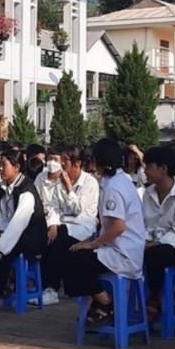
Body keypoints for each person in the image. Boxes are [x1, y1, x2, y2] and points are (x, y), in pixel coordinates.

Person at [63, 138, 147, 328]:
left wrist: (92, 244)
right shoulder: (118, 181)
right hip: (120, 248)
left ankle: (106, 302)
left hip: (123, 253)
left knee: (73, 260)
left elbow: (118, 227)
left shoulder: (114, 188)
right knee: (75, 253)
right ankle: (99, 301)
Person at [0, 146, 48, 315]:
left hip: (28, 236)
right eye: (0, 165)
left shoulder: (27, 190)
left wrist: (2, 247)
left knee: (2, 256)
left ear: (16, 168)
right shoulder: (0, 188)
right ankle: (5, 281)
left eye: (4, 165)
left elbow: (19, 222)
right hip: (6, 232)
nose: (0, 169)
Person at [37, 145, 100, 305]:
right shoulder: (60, 181)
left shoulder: (89, 183)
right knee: (48, 236)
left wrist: (69, 189)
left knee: (59, 239)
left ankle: (52, 288)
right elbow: (54, 207)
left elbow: (78, 210)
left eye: (65, 161)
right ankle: (48, 287)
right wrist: (52, 224)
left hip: (82, 227)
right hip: (63, 224)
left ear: (77, 163)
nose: (61, 165)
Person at [140, 146, 175, 319]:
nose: (145, 171)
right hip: (150, 242)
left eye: (149, 167)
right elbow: (143, 224)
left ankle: (154, 297)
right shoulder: (147, 194)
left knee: (155, 255)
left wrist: (153, 242)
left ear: (163, 169)